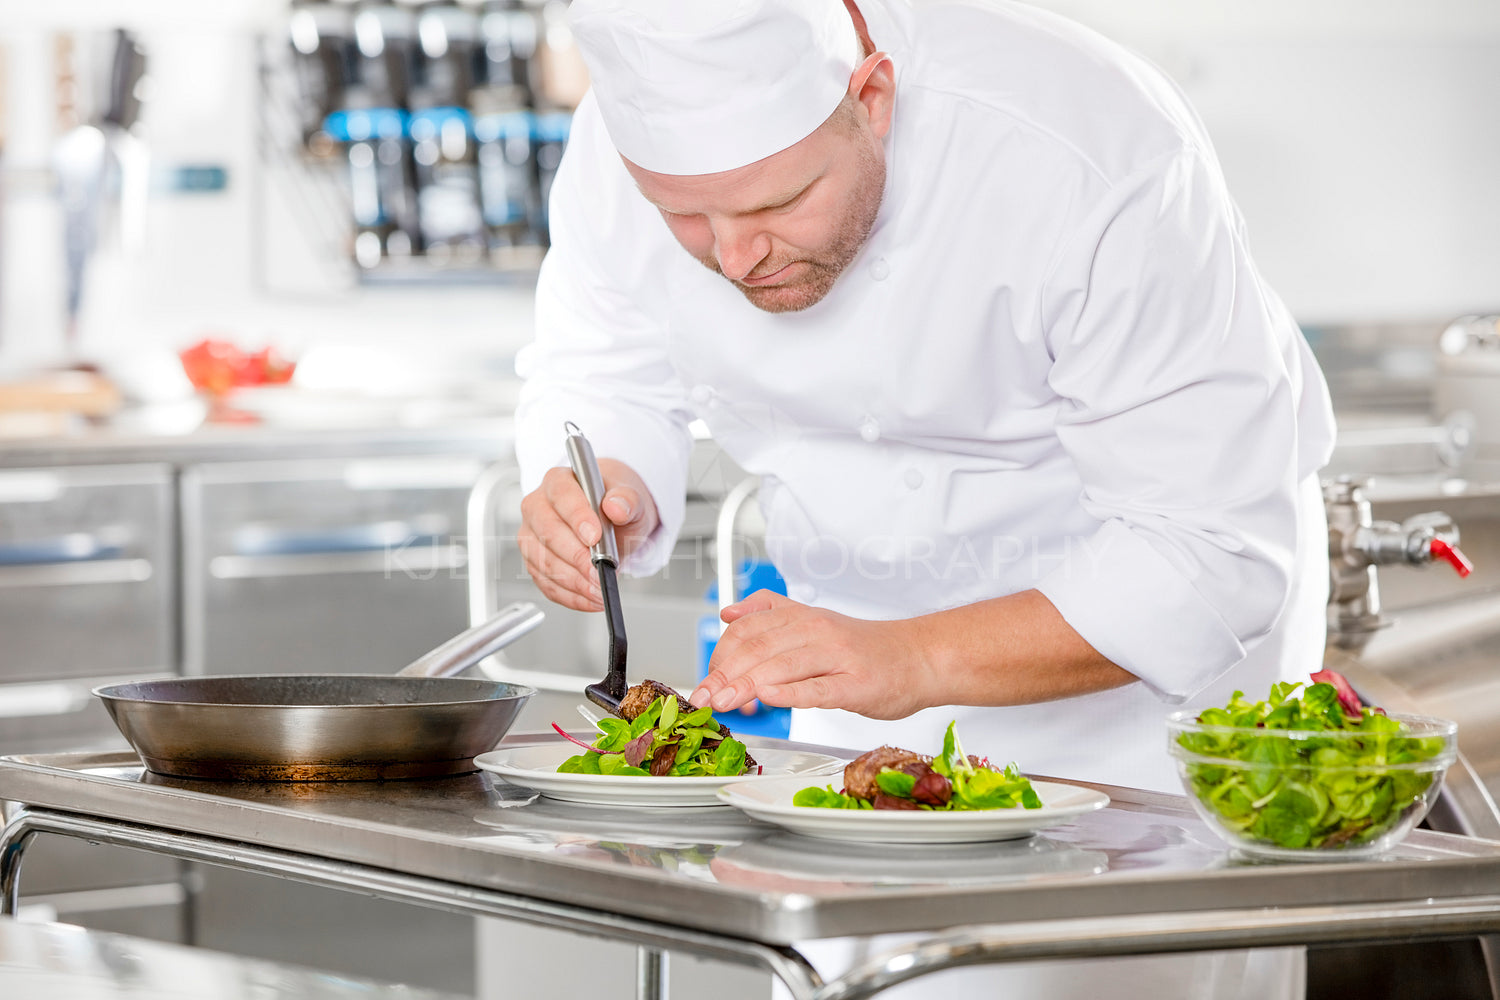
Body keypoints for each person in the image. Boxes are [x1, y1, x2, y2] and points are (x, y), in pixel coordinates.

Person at [512, 0, 1334, 997]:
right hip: (853, 683)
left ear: (873, 96)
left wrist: (914, 654)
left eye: (778, 203)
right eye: (685, 217)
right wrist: (606, 485)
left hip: (1137, 702)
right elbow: (605, 365)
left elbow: (1207, 552)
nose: (734, 257)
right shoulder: (621, 143)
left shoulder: (1091, 148)